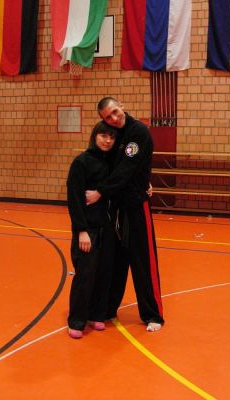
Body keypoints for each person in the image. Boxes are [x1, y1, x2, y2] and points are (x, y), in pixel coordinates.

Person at [86, 97, 164, 332]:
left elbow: (126, 170)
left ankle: (153, 315)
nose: (113, 118)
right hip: (116, 207)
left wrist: (100, 191)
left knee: (143, 260)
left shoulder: (138, 131)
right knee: (115, 261)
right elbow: (107, 165)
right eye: (107, 117)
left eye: (115, 112)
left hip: (136, 206)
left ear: (121, 106)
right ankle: (108, 308)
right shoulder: (112, 134)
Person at [66, 121, 117, 339]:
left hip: (107, 228)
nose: (107, 140)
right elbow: (74, 199)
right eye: (103, 136)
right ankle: (77, 320)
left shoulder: (112, 162)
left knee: (104, 273)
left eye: (111, 137)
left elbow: (121, 183)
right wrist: (81, 230)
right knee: (85, 275)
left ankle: (97, 314)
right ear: (95, 136)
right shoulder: (81, 162)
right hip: (88, 229)